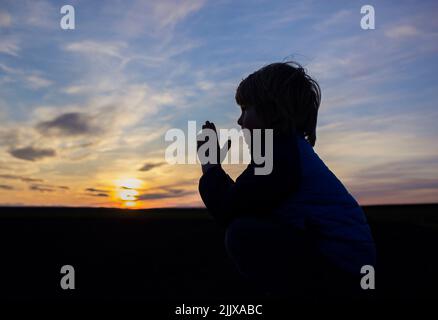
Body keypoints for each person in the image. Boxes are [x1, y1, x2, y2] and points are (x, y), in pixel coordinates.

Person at [197, 61, 376, 300]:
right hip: (346, 263)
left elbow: (229, 208)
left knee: (242, 233)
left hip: (342, 271)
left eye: (245, 109)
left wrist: (210, 168)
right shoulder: (286, 151)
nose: (239, 121)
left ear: (271, 110)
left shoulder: (280, 155)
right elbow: (244, 198)